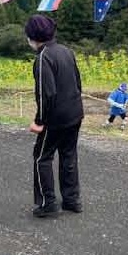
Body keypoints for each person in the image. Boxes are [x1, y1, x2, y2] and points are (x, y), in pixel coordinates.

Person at [25, 14, 84, 217]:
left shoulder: (43, 58)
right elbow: (78, 83)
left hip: (55, 119)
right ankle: (72, 200)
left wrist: (39, 121)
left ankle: (48, 203)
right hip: (75, 113)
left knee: (42, 157)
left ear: (32, 37)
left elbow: (45, 94)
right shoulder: (67, 51)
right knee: (69, 155)